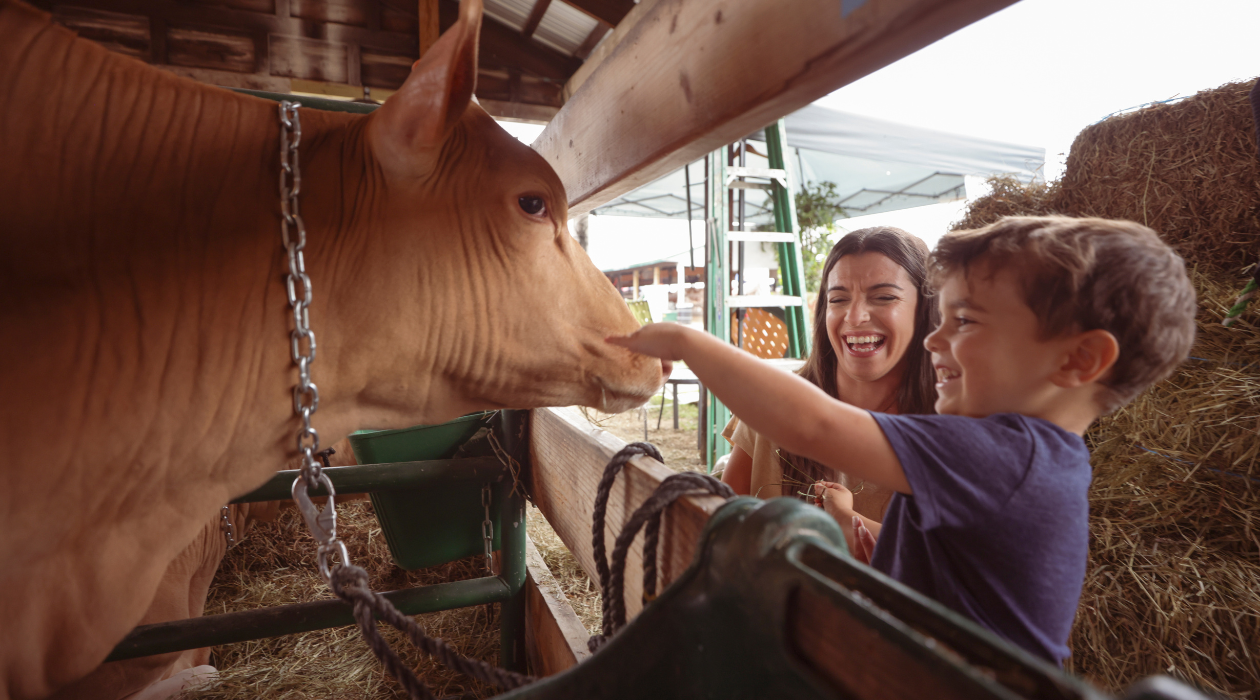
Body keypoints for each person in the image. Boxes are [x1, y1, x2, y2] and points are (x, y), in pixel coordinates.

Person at [607, 216, 1196, 665]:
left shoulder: (1005, 455)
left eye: (964, 321)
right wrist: (859, 535)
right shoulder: (1028, 460)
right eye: (941, 318)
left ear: (1078, 359)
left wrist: (689, 344)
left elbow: (812, 424)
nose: (935, 341)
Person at [720, 227, 938, 551]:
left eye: (884, 297)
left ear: (924, 310)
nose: (855, 316)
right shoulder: (770, 404)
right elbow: (721, 527)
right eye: (838, 299)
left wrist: (845, 520)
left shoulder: (950, 425)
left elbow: (949, 568)